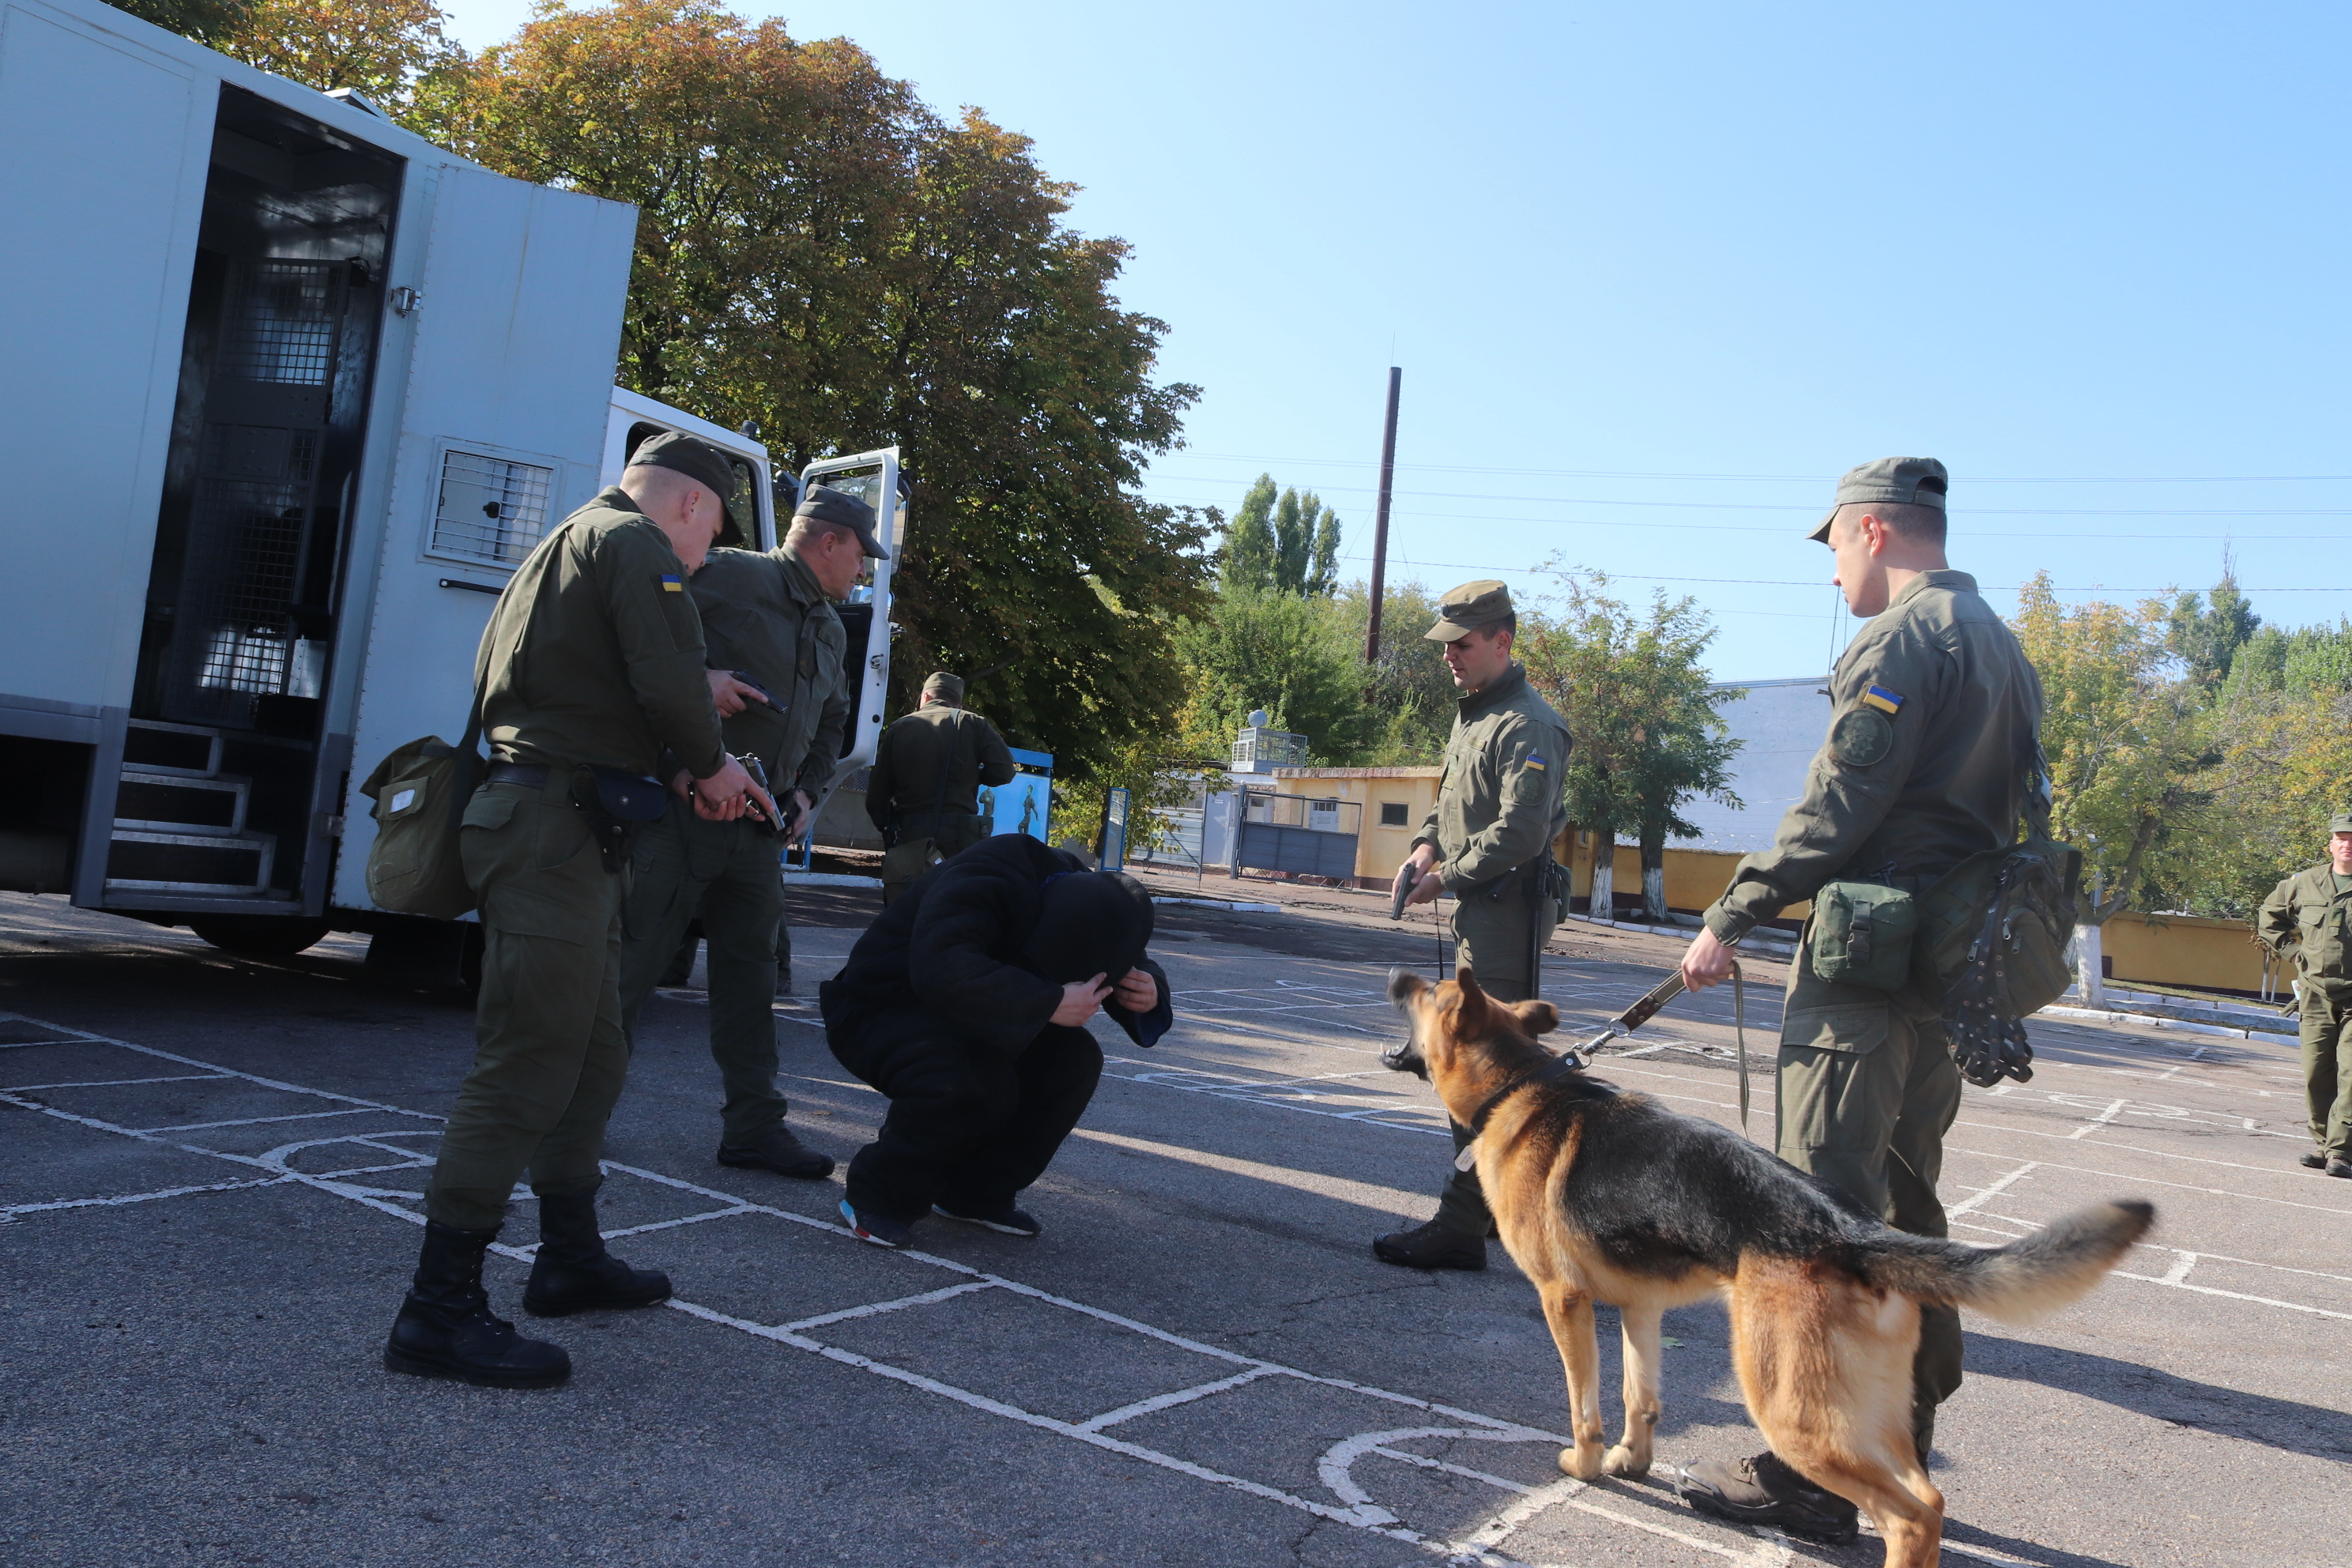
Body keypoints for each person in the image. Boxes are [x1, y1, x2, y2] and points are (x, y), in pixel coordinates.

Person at [1672, 456, 2044, 1543]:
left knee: (1821, 1214)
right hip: (1947, 969)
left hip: (1870, 970)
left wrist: (1731, 912)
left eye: (1833, 546)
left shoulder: (1900, 640)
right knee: (1906, 1203)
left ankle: (1822, 1469)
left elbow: (1837, 805)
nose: (1833, 573)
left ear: (1874, 532)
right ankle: (1906, 1433)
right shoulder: (2005, 647)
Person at [384, 431, 774, 1390]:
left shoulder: (570, 537)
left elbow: (590, 691)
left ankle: (568, 1254)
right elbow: (666, 677)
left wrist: (682, 757)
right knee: (528, 1058)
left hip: (559, 822)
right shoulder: (637, 544)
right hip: (552, 831)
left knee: (592, 1049)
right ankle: (437, 1310)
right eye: (715, 530)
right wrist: (715, 766)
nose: (709, 552)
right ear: (689, 504)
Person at [615, 484, 888, 1181]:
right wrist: (683, 753)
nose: (864, 571)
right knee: (623, 975)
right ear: (828, 541)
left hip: (759, 831)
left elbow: (831, 725)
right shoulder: (726, 573)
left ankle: (753, 1130)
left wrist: (803, 793)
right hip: (682, 818)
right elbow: (638, 653)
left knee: (750, 982)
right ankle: (560, 1121)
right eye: (861, 555)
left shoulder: (829, 626)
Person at [820, 835, 1172, 1247]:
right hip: (882, 1005)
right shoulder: (986, 874)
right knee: (966, 1078)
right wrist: (1048, 1001)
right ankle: (877, 1197)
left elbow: (1126, 953)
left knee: (1072, 1061)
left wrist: (1148, 995)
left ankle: (975, 1194)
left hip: (982, 1008)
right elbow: (940, 966)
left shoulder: (1087, 893)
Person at [1371, 580, 1570, 1272]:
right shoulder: (1475, 715)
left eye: (1461, 644)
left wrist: (1446, 874)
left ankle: (1461, 1227)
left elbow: (1521, 831)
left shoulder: (1528, 724)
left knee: (1485, 1078)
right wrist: (1427, 844)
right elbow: (1449, 803)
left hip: (1506, 916)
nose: (1449, 656)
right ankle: (1485, 1207)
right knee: (1471, 1067)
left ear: (1501, 641)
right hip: (1475, 911)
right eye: (1445, 646)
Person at [865, 671, 1018, 903]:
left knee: (905, 912)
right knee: (956, 908)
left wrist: (890, 831)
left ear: (925, 697)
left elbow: (876, 796)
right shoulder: (973, 723)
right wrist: (972, 776)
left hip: (910, 833)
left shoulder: (900, 727)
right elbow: (1004, 771)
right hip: (961, 837)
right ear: (959, 702)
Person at [2256, 814, 2352, 1178]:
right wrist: (2293, 952)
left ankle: (2342, 1151)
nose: (2348, 844)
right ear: (2330, 843)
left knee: (2351, 1075)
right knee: (2316, 1074)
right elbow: (2270, 917)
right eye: (2341, 837)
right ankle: (2324, 1144)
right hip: (2314, 995)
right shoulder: (2304, 883)